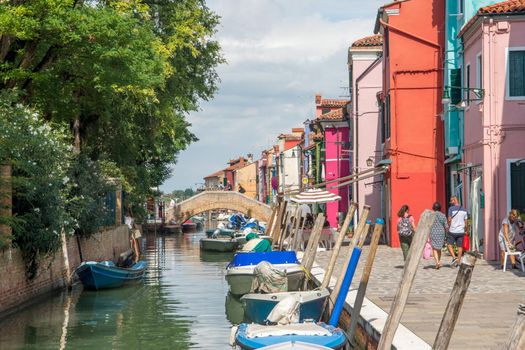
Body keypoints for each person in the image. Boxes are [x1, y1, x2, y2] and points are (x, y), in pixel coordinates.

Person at [447, 196, 469, 267]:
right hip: (461, 231)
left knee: (449, 245)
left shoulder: (451, 209)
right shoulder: (464, 210)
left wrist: (449, 226)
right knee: (460, 247)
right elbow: (466, 222)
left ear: (454, 200)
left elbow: (449, 219)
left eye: (451, 201)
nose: (450, 202)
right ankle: (458, 262)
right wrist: (466, 230)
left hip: (452, 231)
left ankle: (454, 257)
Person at [429, 202, 448, 269]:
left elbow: (428, 225)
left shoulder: (431, 215)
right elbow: (446, 226)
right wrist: (447, 233)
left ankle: (437, 262)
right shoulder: (443, 215)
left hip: (433, 232)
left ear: (433, 208)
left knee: (434, 248)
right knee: (439, 248)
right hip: (441, 233)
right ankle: (438, 261)